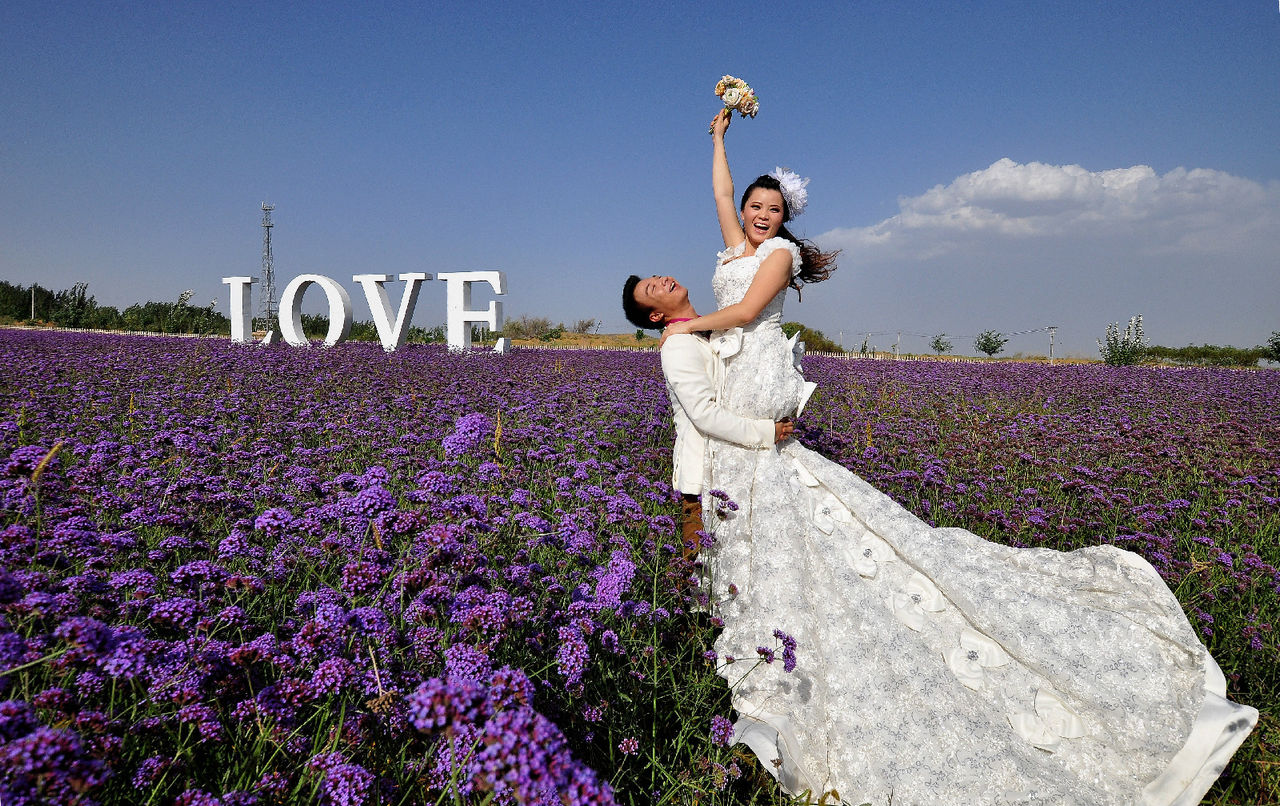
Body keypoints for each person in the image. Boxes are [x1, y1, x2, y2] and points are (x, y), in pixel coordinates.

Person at [640, 108, 1259, 805]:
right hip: (734, 383)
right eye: (755, 206)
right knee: (762, 508)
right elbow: (719, 198)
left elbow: (750, 313)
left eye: (771, 208)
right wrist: (720, 139)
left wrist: (688, 327)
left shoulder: (776, 255)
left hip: (750, 368)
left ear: (786, 218)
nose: (757, 214)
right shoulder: (732, 246)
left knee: (796, 500)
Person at [622, 273, 794, 559]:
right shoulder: (678, 345)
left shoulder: (703, 331)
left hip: (731, 466)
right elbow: (704, 414)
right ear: (656, 316)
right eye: (654, 288)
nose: (664, 280)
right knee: (700, 574)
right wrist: (767, 432)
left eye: (657, 277)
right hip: (703, 478)